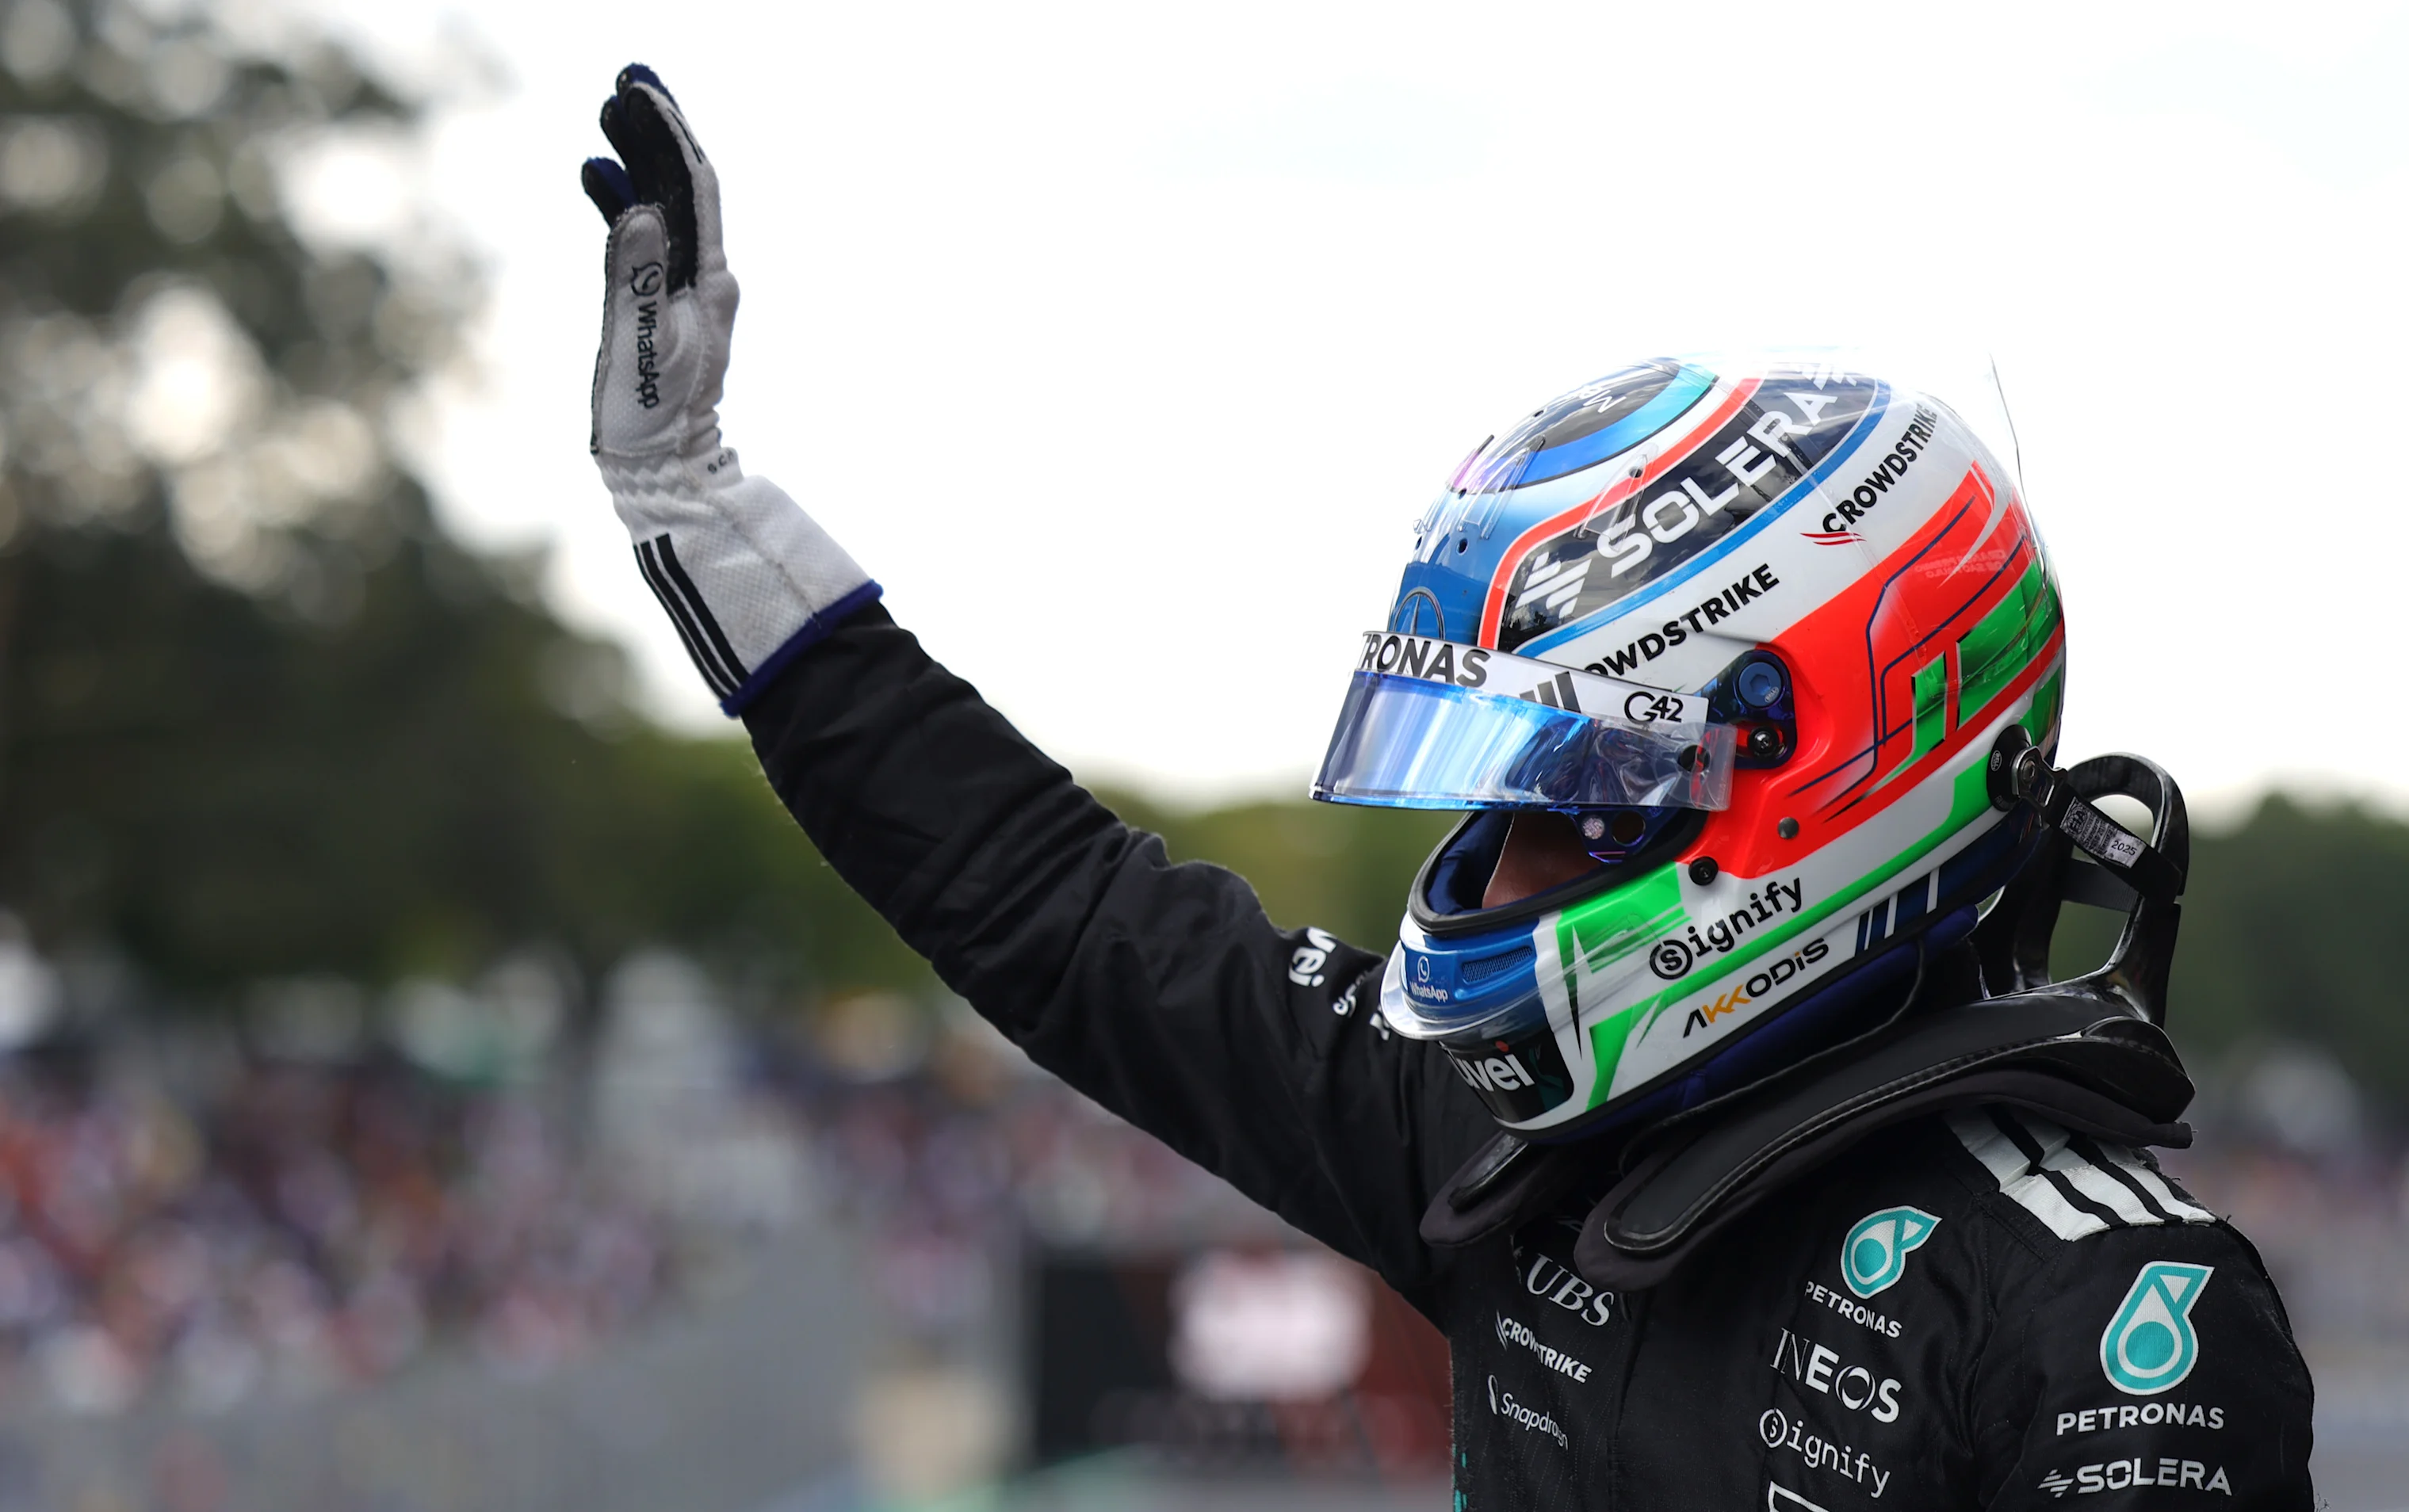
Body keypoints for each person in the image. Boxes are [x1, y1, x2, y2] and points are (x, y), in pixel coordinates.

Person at [575, 65, 2315, 1510]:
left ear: (1837, 780)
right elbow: (1058, 909)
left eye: (1585, 797)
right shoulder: (1508, 1144)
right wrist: (695, 508)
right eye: (1499, 799)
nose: (1500, 872)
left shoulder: (2107, 1319)